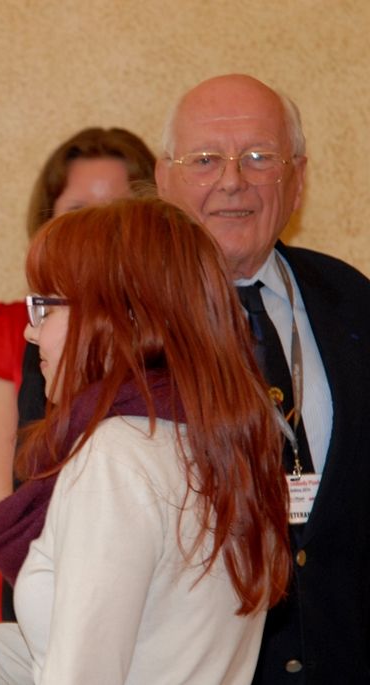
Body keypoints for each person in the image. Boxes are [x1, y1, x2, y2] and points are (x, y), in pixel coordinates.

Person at [0, 197, 292, 683]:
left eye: (45, 307)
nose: (29, 332)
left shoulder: (116, 458)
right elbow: (122, 647)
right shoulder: (214, 440)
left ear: (120, 317)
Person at [153, 73, 370, 683]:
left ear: (297, 178)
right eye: (204, 159)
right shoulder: (114, 321)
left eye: (258, 157)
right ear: (163, 177)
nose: (231, 181)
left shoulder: (351, 300)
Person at [0, 127, 154, 621]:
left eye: (114, 211)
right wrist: (47, 591)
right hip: (25, 573)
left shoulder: (165, 331)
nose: (95, 229)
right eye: (77, 213)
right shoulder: (11, 326)